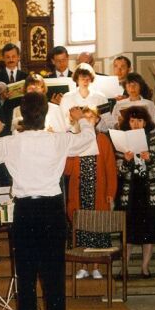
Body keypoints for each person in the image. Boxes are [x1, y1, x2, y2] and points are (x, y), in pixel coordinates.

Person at [0, 92, 96, 310]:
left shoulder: (10, 142)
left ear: (22, 115)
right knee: (54, 273)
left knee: (26, 273)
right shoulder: (58, 139)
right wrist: (80, 118)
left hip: (26, 210)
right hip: (52, 208)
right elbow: (87, 138)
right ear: (44, 115)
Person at [64, 107, 117, 280]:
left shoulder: (102, 140)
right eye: (84, 117)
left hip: (98, 191)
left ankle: (96, 266)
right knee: (80, 229)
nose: (87, 119)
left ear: (97, 120)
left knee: (97, 228)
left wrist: (110, 192)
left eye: (91, 117)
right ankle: (82, 266)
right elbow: (68, 171)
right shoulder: (75, 139)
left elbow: (110, 168)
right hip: (79, 190)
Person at [116, 106, 155, 278]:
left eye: (139, 120)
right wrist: (126, 160)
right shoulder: (122, 142)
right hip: (131, 192)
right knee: (128, 233)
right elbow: (120, 171)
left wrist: (150, 159)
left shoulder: (154, 141)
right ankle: (125, 267)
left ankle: (145, 267)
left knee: (149, 233)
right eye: (132, 120)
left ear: (145, 122)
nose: (135, 124)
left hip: (150, 192)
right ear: (128, 123)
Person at [59, 63, 107, 129]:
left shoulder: (100, 97)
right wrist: (70, 120)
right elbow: (61, 123)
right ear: (77, 79)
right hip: (74, 136)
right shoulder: (67, 97)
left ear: (91, 79)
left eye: (88, 79)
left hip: (95, 135)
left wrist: (96, 120)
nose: (85, 82)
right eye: (82, 79)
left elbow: (108, 123)